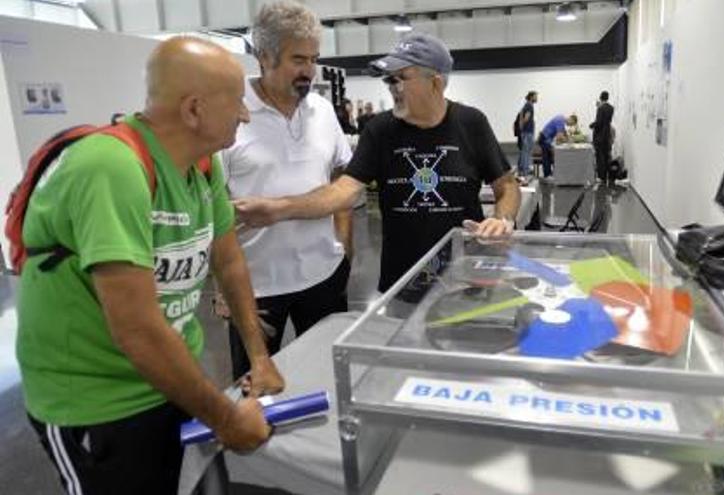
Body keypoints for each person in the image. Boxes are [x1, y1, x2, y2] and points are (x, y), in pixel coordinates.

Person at [15, 37, 284, 495]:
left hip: (171, 380)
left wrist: (259, 357)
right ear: (194, 110)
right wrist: (227, 421)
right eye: (237, 100)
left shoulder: (203, 165)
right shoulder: (110, 169)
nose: (244, 113)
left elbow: (229, 260)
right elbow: (137, 330)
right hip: (97, 404)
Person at [233, 32, 521, 294]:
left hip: (466, 272)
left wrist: (502, 219)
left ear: (435, 82)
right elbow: (344, 190)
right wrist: (279, 209)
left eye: (399, 79)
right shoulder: (380, 130)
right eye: (387, 80)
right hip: (403, 279)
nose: (391, 88)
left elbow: (506, 185)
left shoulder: (471, 123)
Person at [220, 1, 352, 381]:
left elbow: (342, 175)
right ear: (264, 56)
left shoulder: (322, 111)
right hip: (255, 288)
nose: (309, 70)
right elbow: (210, 206)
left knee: (329, 378)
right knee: (256, 388)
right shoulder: (232, 112)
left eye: (314, 58)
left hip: (325, 275)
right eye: (298, 59)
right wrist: (221, 288)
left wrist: (345, 246)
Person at [537, 113, 577, 178]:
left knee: (549, 157)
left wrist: (568, 138)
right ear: (571, 119)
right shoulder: (560, 120)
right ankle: (547, 175)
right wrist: (568, 141)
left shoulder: (561, 119)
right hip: (544, 138)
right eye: (571, 124)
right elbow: (559, 136)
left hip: (547, 138)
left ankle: (548, 173)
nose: (570, 126)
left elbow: (564, 133)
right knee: (546, 157)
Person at [590, 90, 615, 184]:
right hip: (607, 134)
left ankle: (601, 177)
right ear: (607, 98)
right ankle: (607, 176)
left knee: (599, 157)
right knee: (606, 155)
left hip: (600, 135)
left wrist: (592, 125)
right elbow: (607, 121)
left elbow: (599, 122)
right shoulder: (611, 108)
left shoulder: (600, 108)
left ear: (600, 97)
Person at [517, 91, 538, 182]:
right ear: (531, 97)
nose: (537, 98)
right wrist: (523, 126)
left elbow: (521, 115)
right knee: (527, 152)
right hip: (528, 132)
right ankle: (526, 171)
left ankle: (521, 169)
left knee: (524, 151)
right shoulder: (529, 105)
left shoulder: (525, 105)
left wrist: (521, 127)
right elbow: (526, 117)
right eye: (536, 96)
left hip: (525, 132)